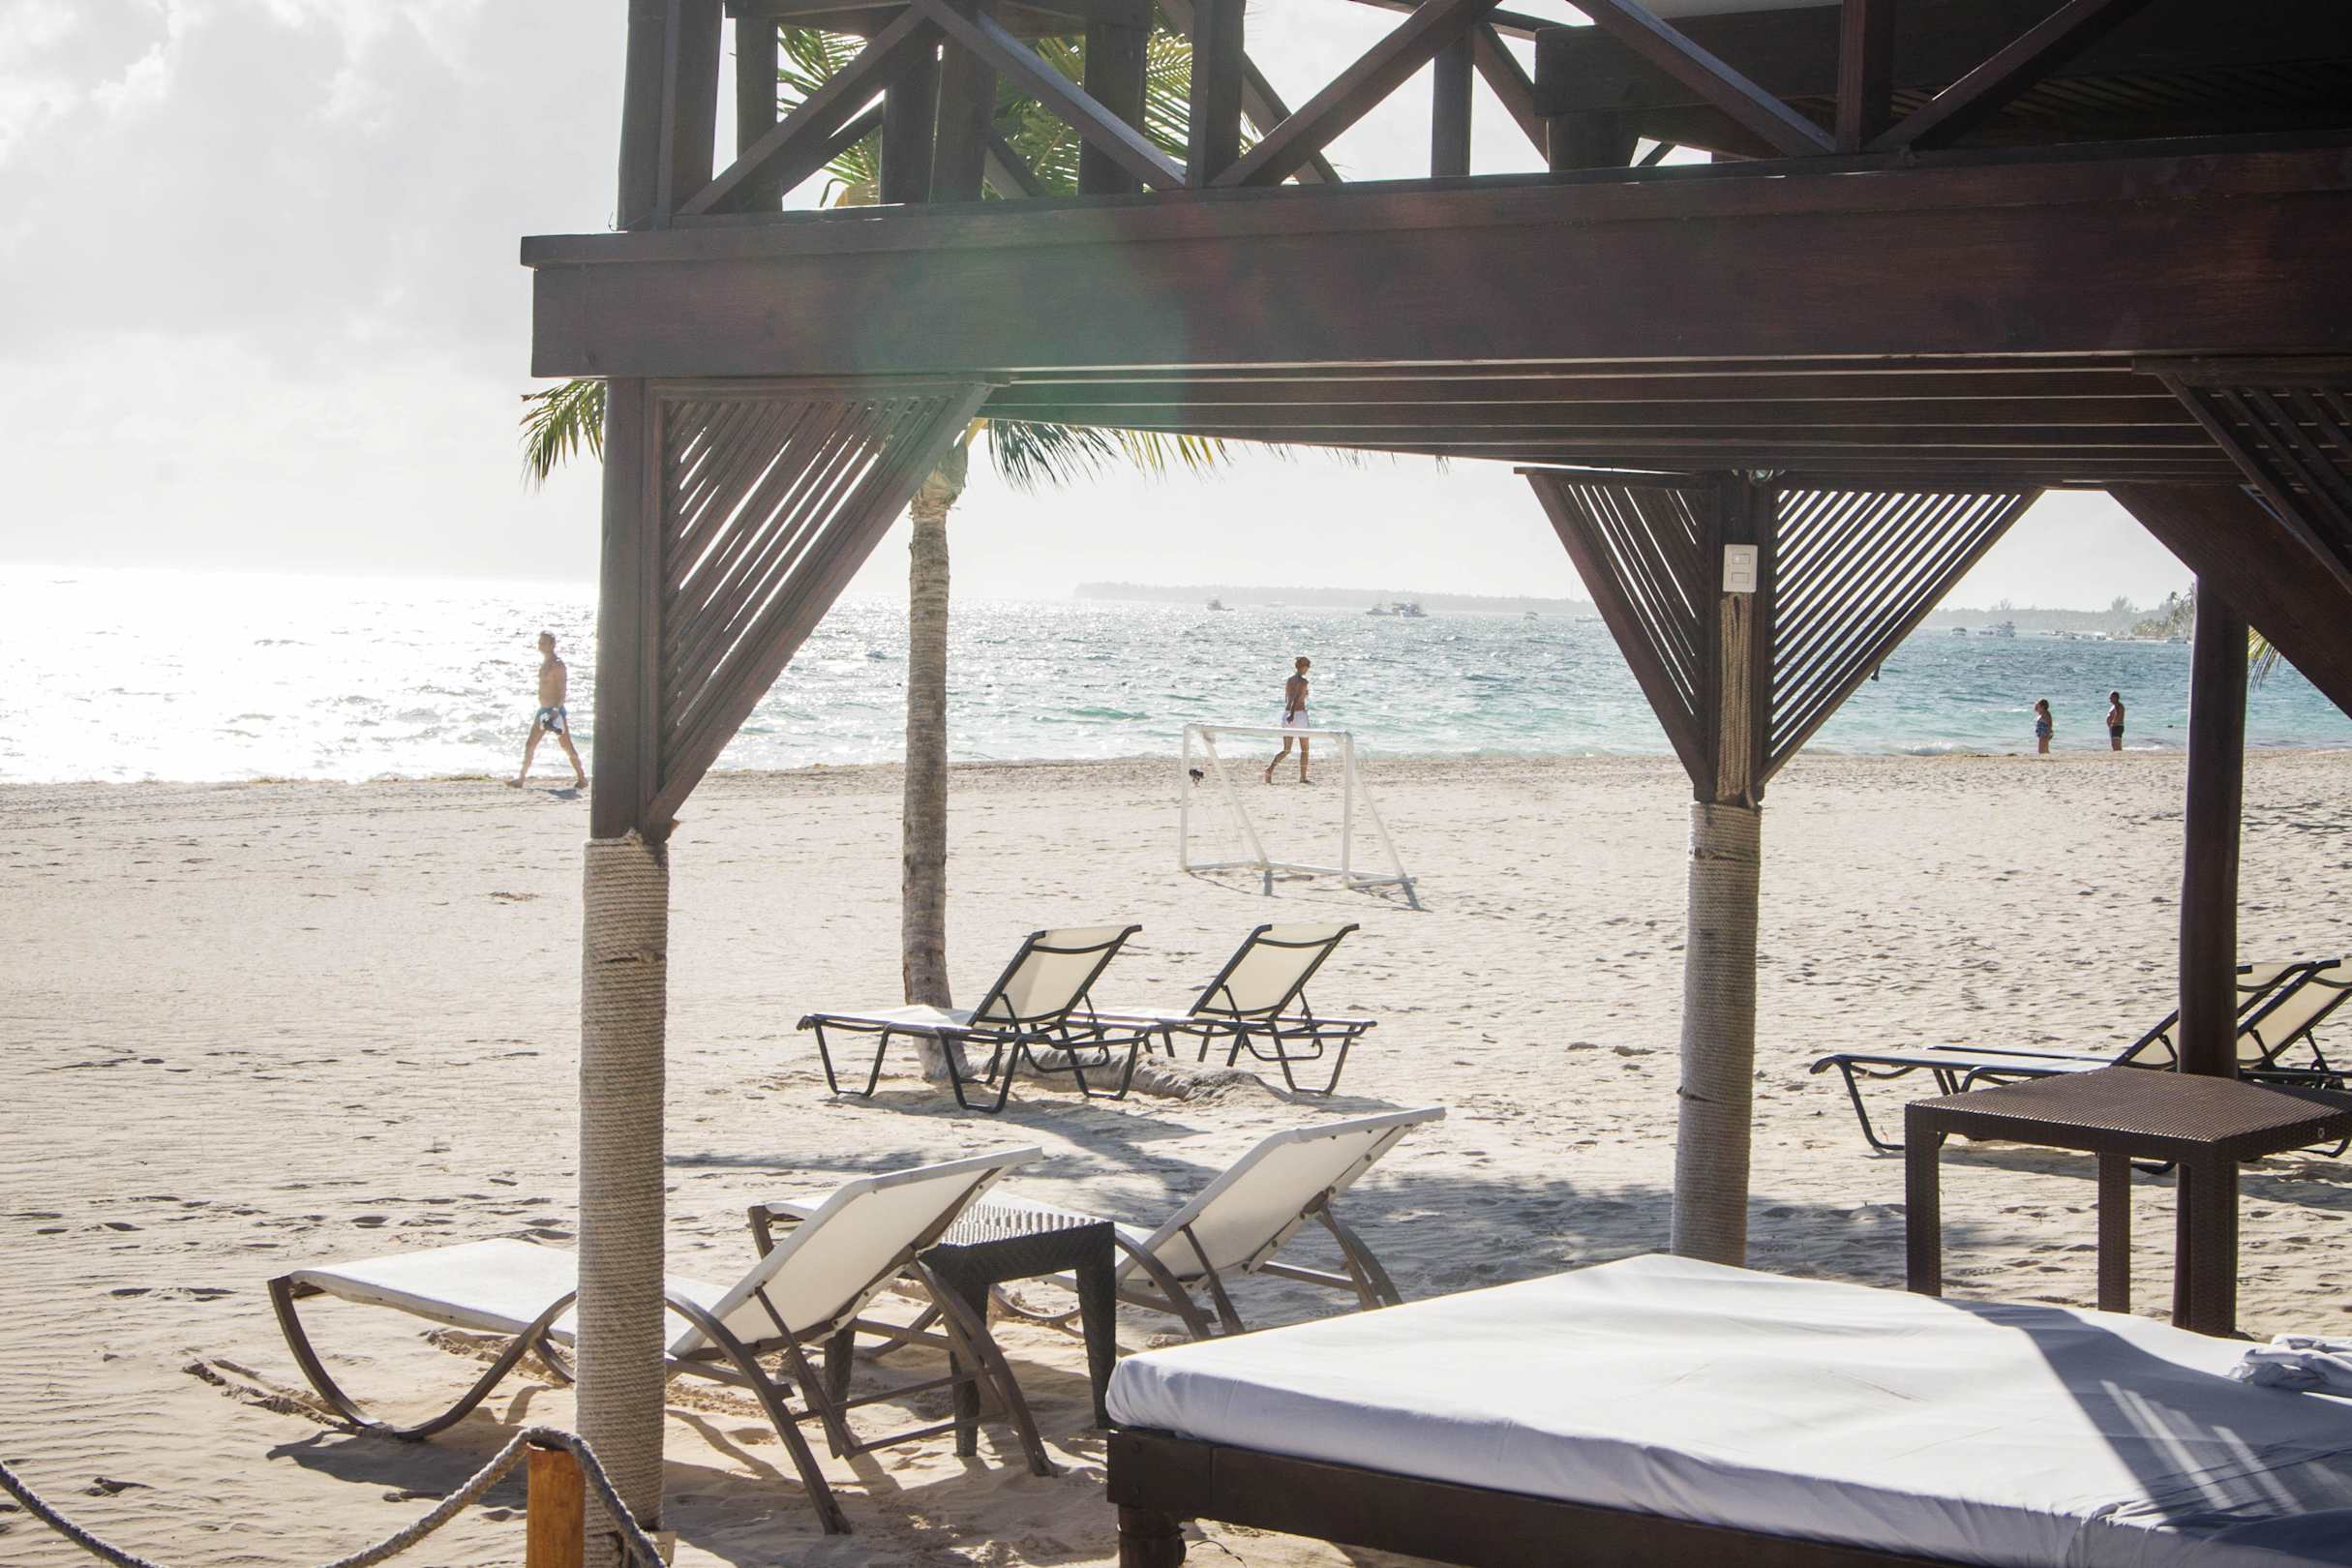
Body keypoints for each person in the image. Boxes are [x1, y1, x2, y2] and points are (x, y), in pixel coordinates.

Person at [510, 631, 587, 789]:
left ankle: (582, 778)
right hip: (543, 710)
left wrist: (556, 710)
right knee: (530, 744)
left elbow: (562, 691)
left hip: (555, 711)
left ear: (552, 645)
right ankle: (521, 779)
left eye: (544, 643)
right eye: (540, 643)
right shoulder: (544, 663)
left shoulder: (558, 665)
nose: (540, 646)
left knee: (567, 746)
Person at [1264, 655, 1312, 784]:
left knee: (1286, 749)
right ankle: (1303, 777)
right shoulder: (1303, 682)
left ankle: (1269, 770)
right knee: (1305, 749)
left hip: (1286, 715)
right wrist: (1293, 714)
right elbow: (1296, 698)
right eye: (1307, 666)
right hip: (1298, 715)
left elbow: (1289, 698)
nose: (1308, 669)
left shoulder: (1289, 680)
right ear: (1303, 667)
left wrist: (1289, 714)